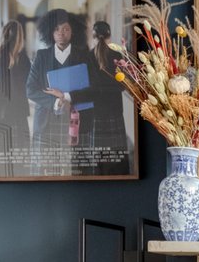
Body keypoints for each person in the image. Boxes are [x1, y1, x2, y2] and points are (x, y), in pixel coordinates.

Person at [25, 9, 88, 168]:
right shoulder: (41, 56)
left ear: (73, 31)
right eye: (56, 29)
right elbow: (30, 89)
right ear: (50, 32)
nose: (61, 33)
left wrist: (65, 96)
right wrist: (55, 101)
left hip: (74, 121)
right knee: (44, 171)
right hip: (45, 121)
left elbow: (90, 88)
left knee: (72, 170)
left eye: (65, 29)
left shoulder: (83, 55)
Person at [79, 20, 133, 175]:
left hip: (95, 112)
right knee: (116, 154)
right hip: (114, 111)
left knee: (98, 155)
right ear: (109, 36)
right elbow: (123, 85)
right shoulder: (118, 55)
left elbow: (86, 86)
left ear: (93, 36)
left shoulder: (87, 57)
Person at [0, 19, 32, 177]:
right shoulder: (23, 59)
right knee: (18, 154)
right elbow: (29, 86)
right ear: (20, 37)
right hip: (17, 111)